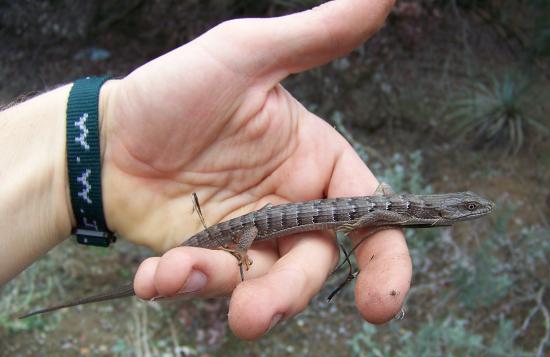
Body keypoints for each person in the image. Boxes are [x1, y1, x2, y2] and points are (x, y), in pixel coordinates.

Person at [0, 0, 411, 339]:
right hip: (253, 225)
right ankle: (239, 250)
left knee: (233, 252)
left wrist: (92, 145)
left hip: (262, 219)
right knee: (245, 241)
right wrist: (241, 250)